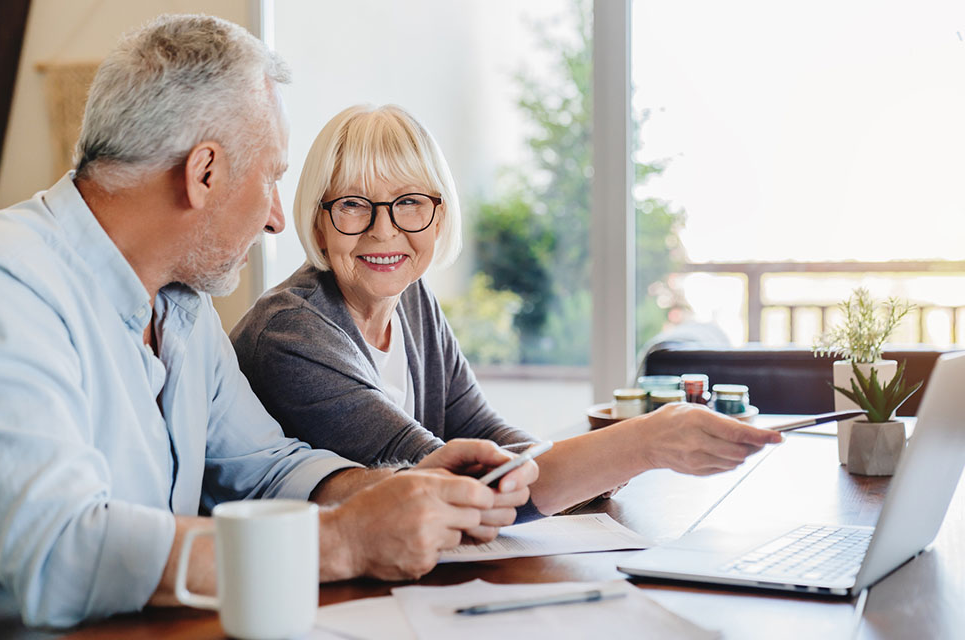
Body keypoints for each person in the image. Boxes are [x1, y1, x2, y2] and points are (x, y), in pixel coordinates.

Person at [0, 17, 537, 629]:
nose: (275, 219)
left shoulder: (182, 307)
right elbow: (60, 554)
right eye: (271, 178)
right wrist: (341, 542)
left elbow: (266, 466)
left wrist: (401, 486)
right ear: (203, 172)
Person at [231, 104, 783, 519]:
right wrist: (640, 443)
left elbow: (485, 431)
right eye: (353, 204)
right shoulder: (292, 332)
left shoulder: (413, 301)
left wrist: (588, 469)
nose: (384, 230)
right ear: (319, 219)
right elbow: (455, 484)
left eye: (409, 203)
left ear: (439, 215)